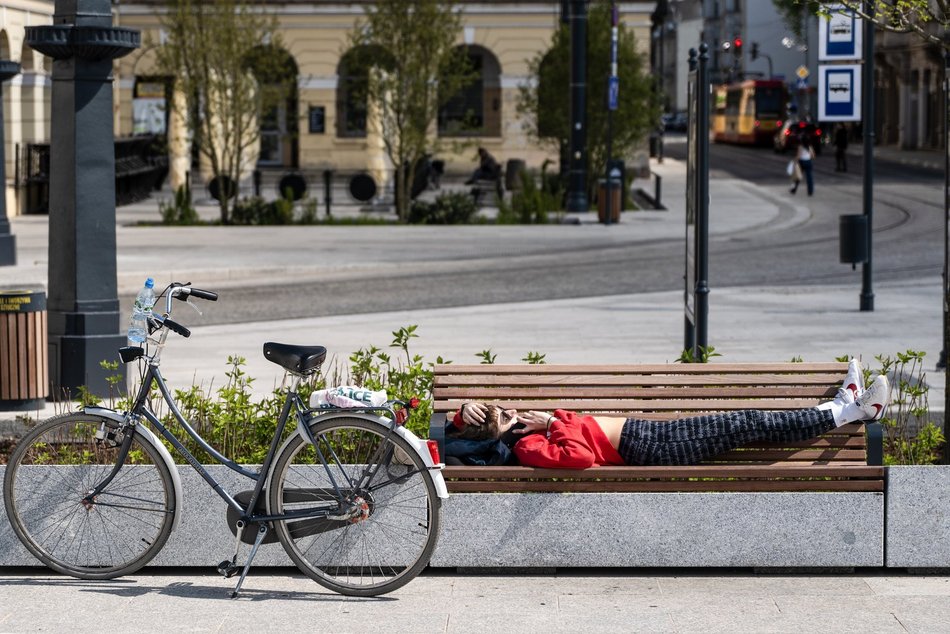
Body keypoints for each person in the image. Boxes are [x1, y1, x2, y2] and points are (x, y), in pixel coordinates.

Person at [446, 360, 889, 468]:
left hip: (651, 432)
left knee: (748, 421)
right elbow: (580, 457)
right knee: (749, 424)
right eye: (506, 414)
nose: (513, 409)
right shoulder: (527, 445)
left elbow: (459, 435)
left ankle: (843, 407)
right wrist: (553, 423)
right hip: (649, 450)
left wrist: (464, 414)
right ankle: (848, 410)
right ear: (502, 434)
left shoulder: (524, 431)